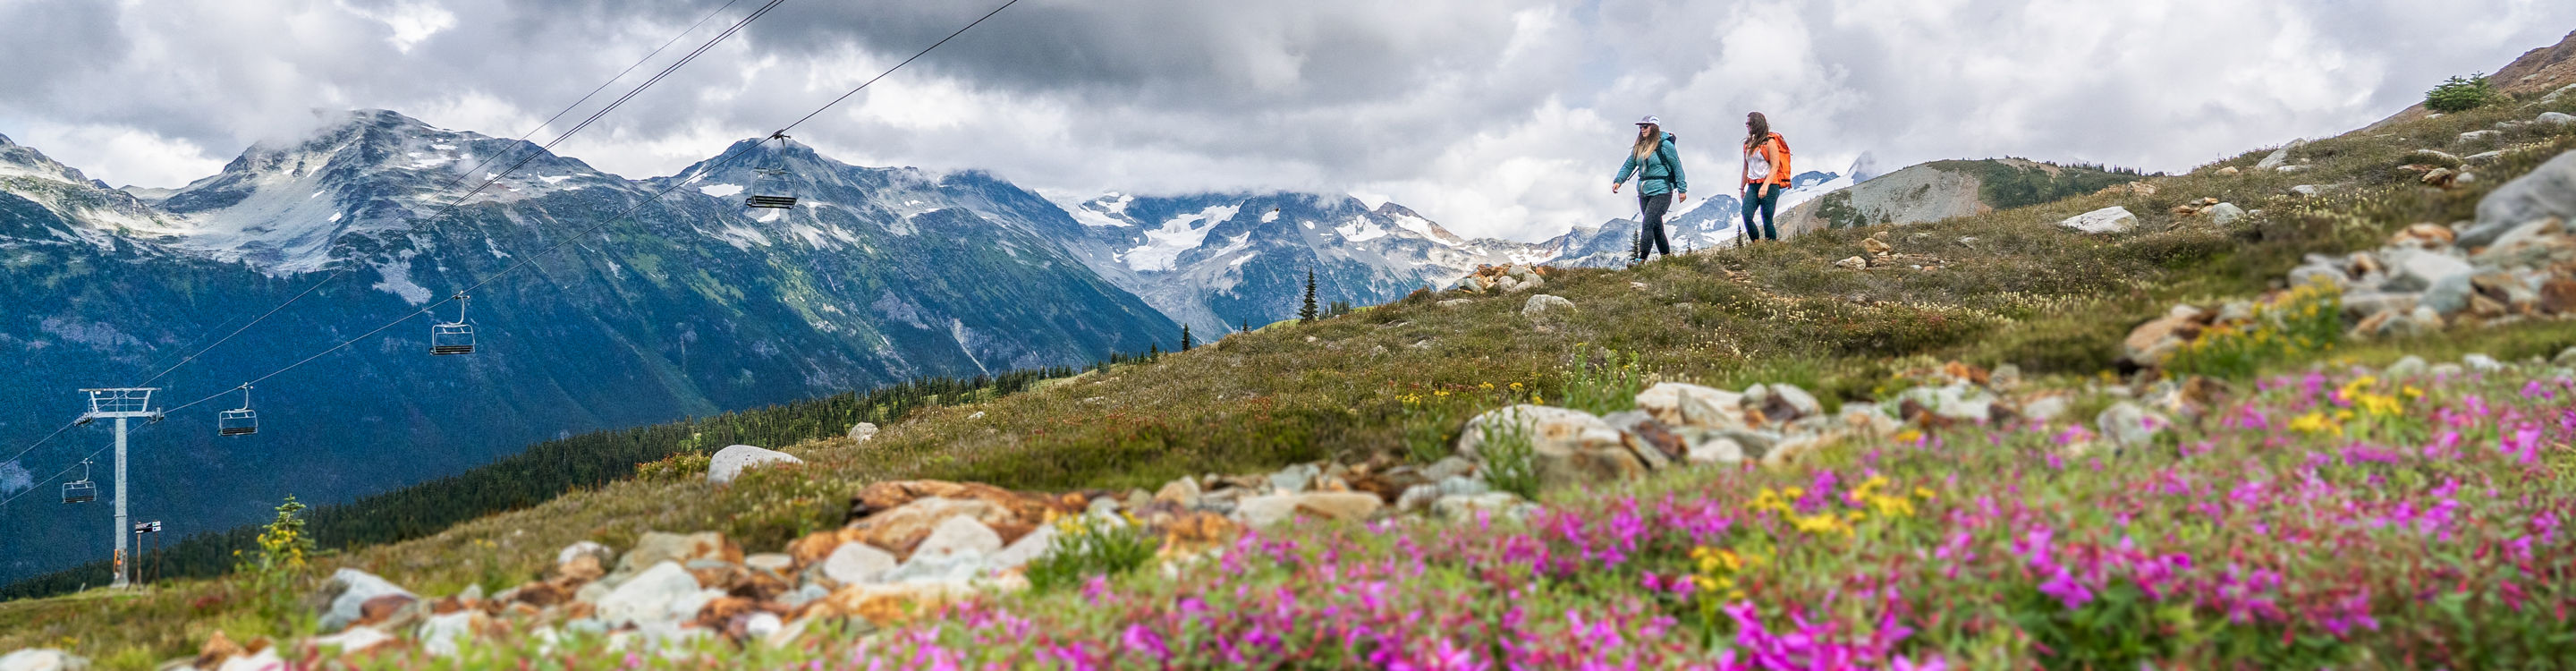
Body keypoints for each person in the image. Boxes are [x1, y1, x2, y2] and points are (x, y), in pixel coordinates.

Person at [1611, 115, 1686, 263]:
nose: (1642, 129)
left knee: (1648, 223)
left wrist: (1682, 189)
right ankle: (1667, 258)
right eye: (1641, 127)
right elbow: (1629, 165)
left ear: (1654, 128)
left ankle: (1641, 259)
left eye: (1645, 126)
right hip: (1644, 191)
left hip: (1662, 190)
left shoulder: (1665, 145)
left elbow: (1677, 166)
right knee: (1656, 226)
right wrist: (1618, 181)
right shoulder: (1640, 146)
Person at [1740, 112, 1792, 242]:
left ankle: (1771, 248)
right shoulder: (1747, 144)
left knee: (1767, 218)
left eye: (1749, 123)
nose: (1747, 125)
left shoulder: (1770, 142)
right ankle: (1756, 245)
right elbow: (1746, 167)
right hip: (1752, 185)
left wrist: (1765, 185)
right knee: (1746, 215)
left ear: (1757, 124)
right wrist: (1742, 188)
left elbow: (1775, 166)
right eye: (1746, 123)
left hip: (1770, 185)